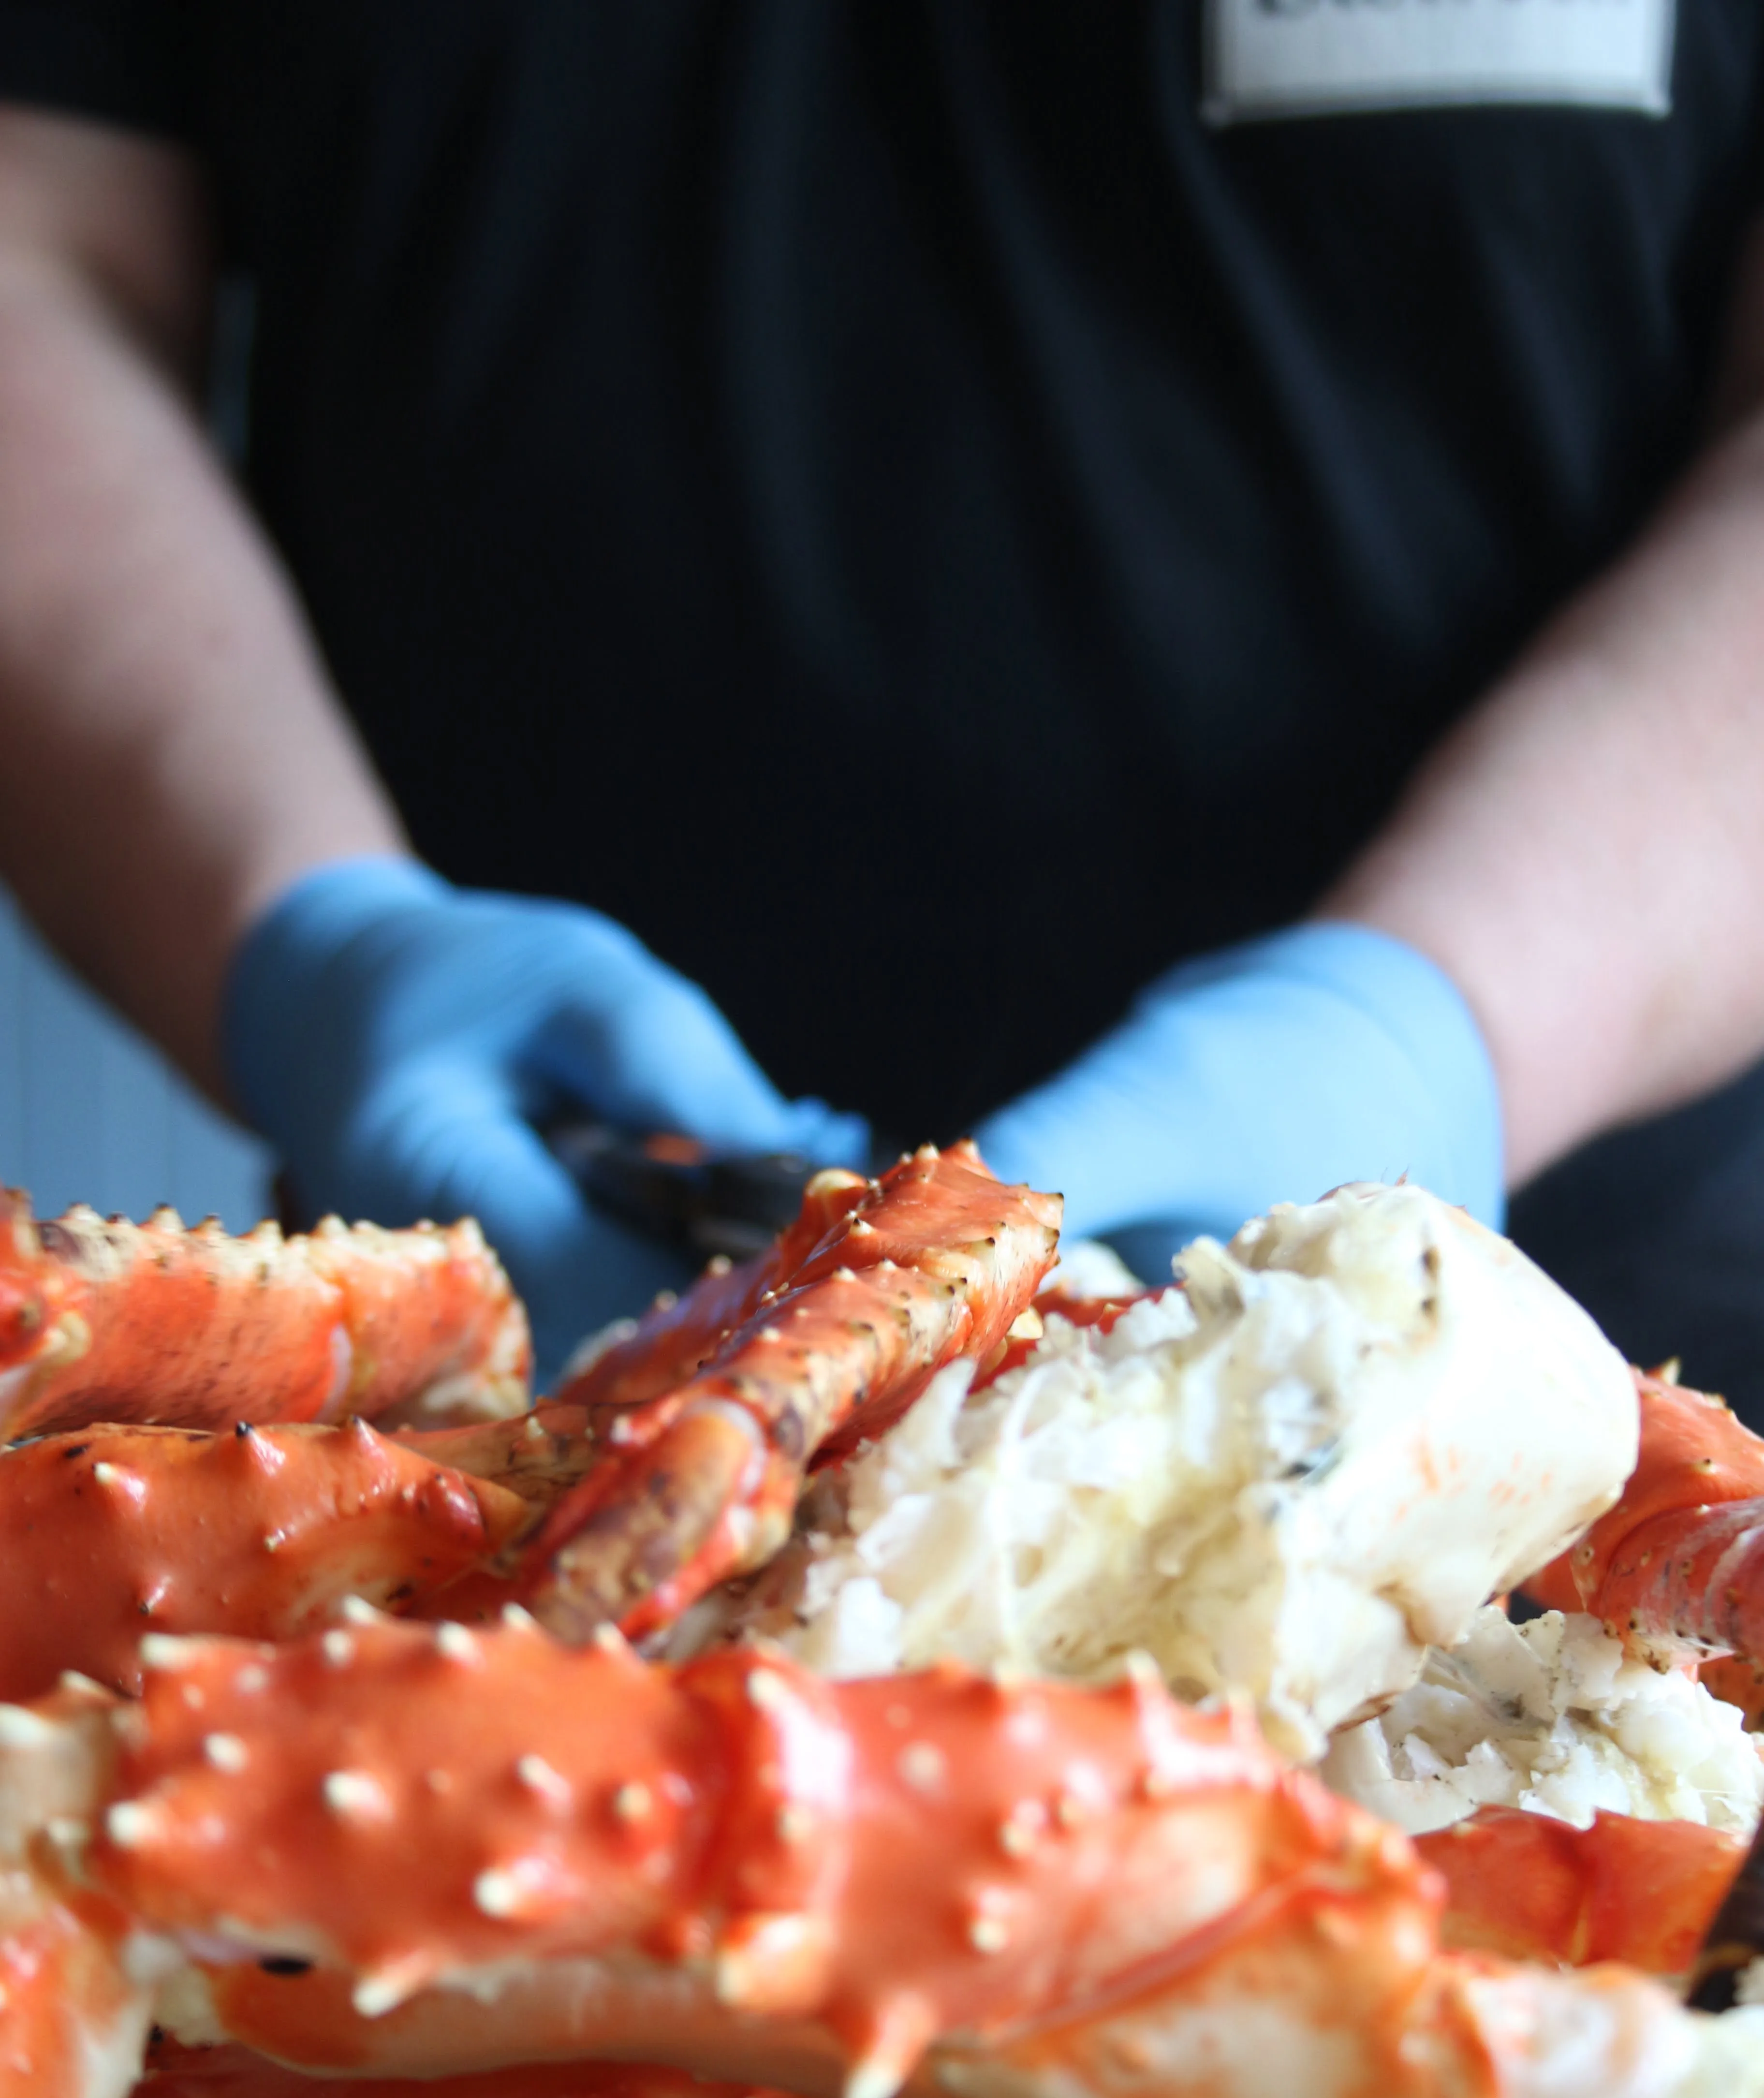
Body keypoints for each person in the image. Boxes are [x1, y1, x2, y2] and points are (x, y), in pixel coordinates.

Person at [2, 4, 1764, 1397]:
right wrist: (307, 939)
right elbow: (34, 250)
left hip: (1541, 1343)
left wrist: (1435, 1027)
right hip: (489, 1358)